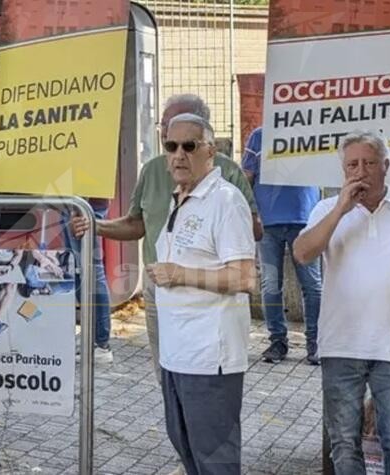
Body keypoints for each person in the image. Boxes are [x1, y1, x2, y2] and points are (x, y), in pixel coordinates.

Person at [70, 93, 261, 383]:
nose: (176, 150)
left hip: (207, 301)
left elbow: (250, 247)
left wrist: (186, 269)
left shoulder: (227, 184)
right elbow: (136, 225)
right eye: (169, 139)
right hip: (158, 285)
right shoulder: (154, 171)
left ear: (206, 142)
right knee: (167, 373)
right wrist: (96, 225)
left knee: (203, 383)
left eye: (188, 143)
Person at [292, 130, 390, 475]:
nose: (360, 171)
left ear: (386, 166)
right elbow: (302, 253)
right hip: (340, 346)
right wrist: (342, 208)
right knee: (344, 442)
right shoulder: (326, 209)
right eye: (352, 164)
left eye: (369, 163)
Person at [148, 113, 256, 475]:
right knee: (188, 451)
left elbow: (244, 277)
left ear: (210, 151)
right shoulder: (181, 198)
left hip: (210, 358)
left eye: (189, 146)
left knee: (216, 462)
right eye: (171, 146)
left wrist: (180, 274)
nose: (179, 154)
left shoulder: (225, 201)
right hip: (177, 353)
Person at [241, 126, 322, 364]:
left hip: (306, 217)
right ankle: (278, 341)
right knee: (271, 283)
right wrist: (250, 212)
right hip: (268, 219)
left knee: (312, 284)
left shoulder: (316, 132)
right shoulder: (259, 135)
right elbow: (247, 176)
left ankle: (315, 342)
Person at [61, 198, 114, 363]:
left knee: (90, 269)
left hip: (83, 200)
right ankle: (93, 339)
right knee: (81, 269)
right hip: (76, 201)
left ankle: (101, 343)